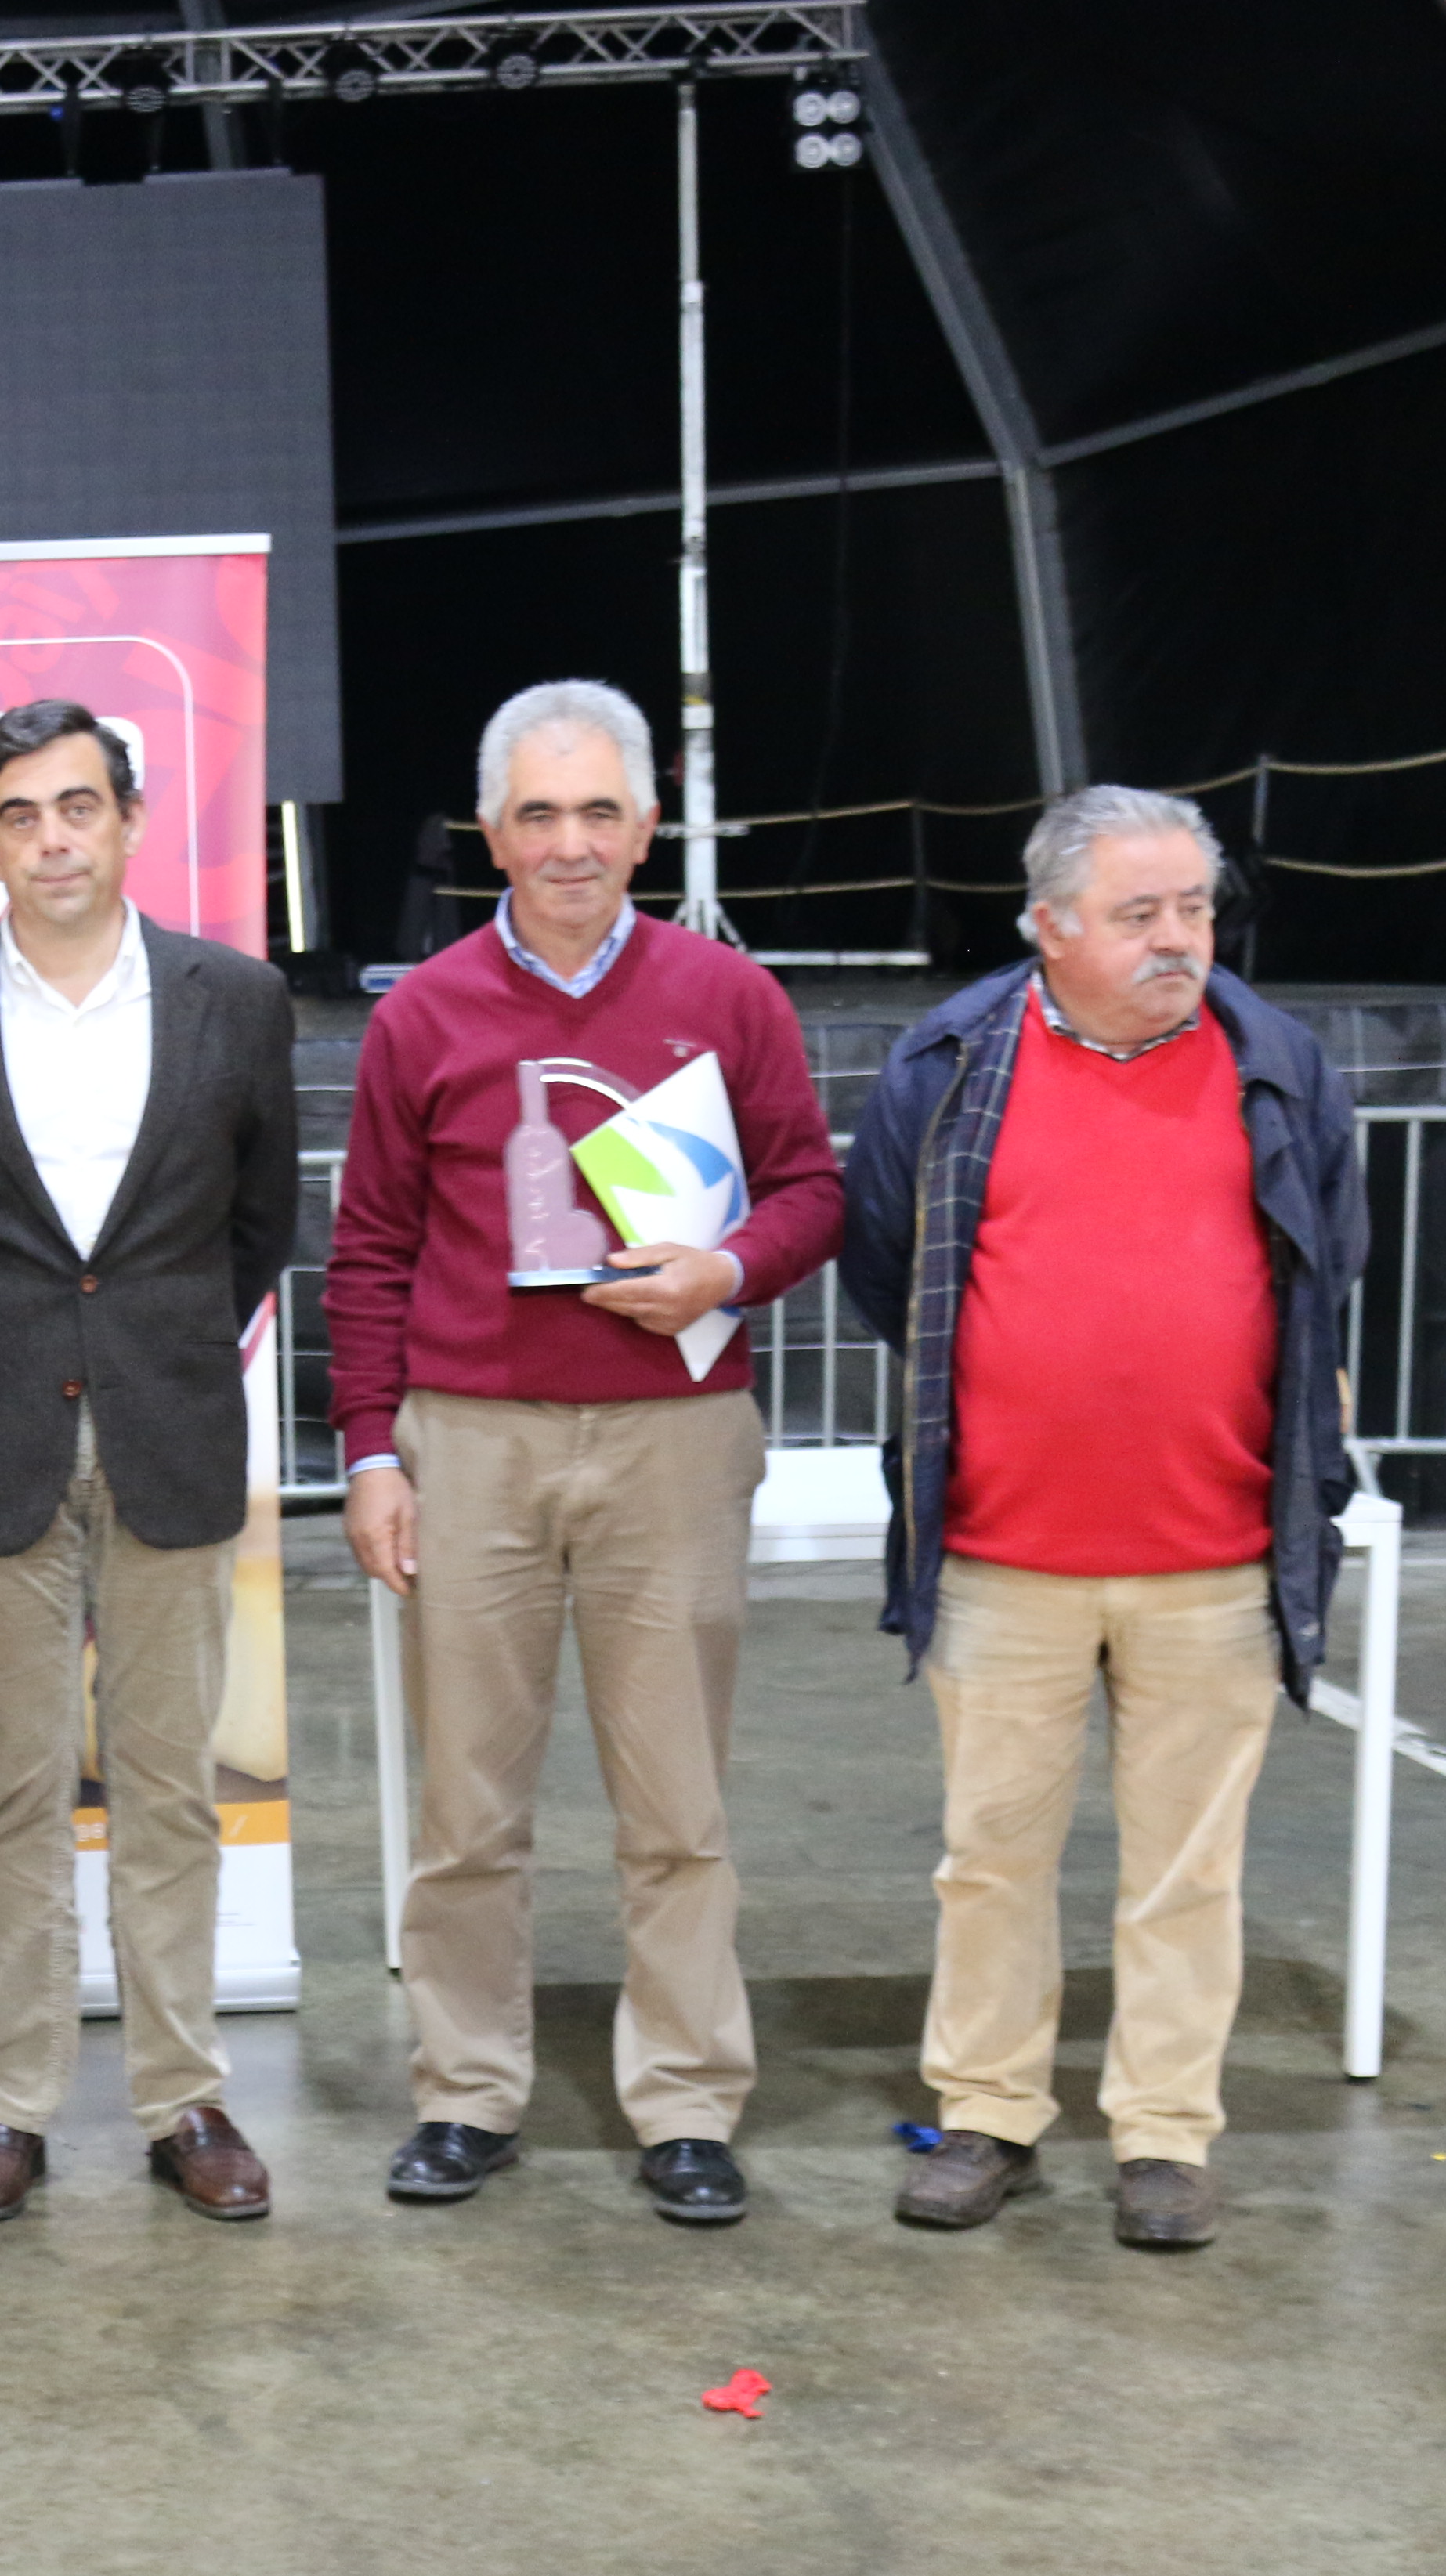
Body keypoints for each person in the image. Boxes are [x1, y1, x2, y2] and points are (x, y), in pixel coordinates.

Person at [327, 681, 843, 2227]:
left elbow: (812, 1190)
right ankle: (469, 2092)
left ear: (648, 826)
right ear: (490, 834)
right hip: (470, 1441)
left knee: (674, 1804)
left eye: (598, 811)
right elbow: (366, 1254)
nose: (569, 844)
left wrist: (728, 1272)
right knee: (467, 1811)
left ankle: (685, 2101)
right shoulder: (421, 1014)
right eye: (538, 815)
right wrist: (371, 1451)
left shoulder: (729, 999)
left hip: (676, 1435)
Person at [841, 787, 1365, 2252]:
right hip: (1005, 1557)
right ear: (1049, 926)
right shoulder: (949, 1062)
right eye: (1138, 915)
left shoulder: (1279, 1064)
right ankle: (989, 2115)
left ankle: (1165, 2136)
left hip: (1216, 1555)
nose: (1176, 940)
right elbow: (886, 1268)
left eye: (1193, 908)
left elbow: (1332, 1260)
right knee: (991, 1859)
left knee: (1188, 1873)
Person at [0, 703, 299, 2226]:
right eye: (21, 814)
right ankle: (8, 2107)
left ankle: (185, 2102)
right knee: (13, 1790)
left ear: (129, 818)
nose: (53, 839)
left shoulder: (235, 1000)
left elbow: (259, 1230)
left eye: (79, 808)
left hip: (171, 1435)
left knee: (170, 1788)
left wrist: (147, 1350)